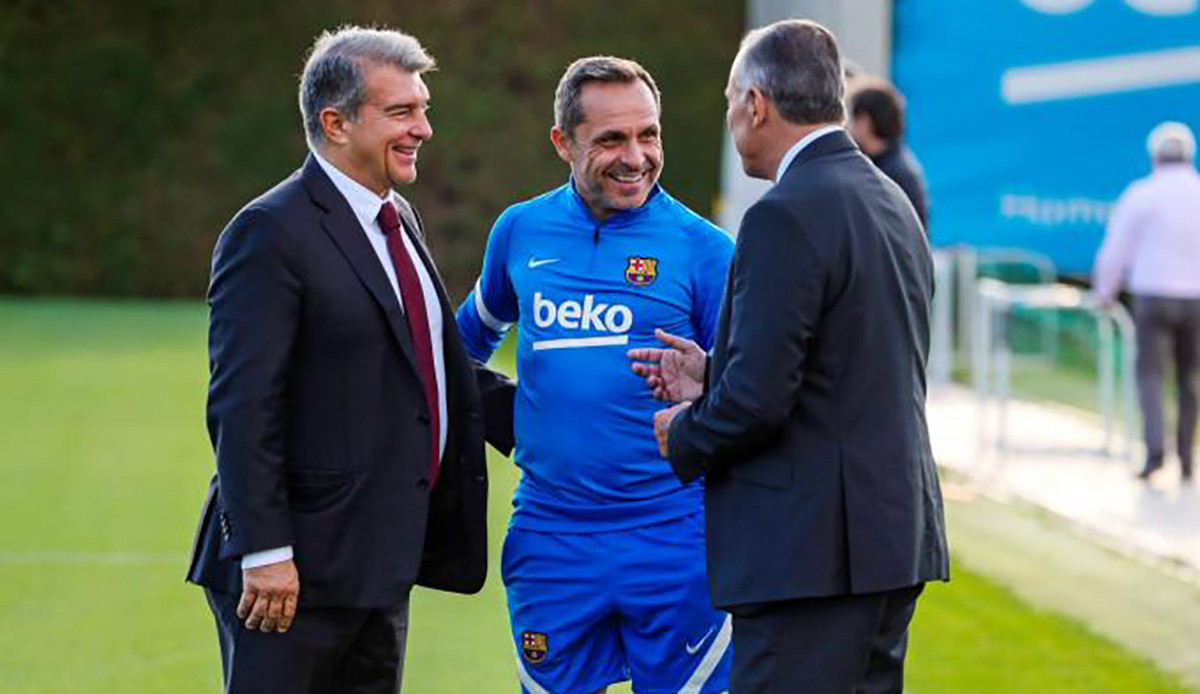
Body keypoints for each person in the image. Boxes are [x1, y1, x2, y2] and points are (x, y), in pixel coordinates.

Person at [185, 26, 515, 694]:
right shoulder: (270, 231)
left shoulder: (399, 218)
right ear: (335, 123)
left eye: (423, 109)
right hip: (292, 576)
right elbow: (244, 404)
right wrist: (266, 550)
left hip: (378, 567)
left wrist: (575, 417)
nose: (423, 128)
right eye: (402, 112)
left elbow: (436, 370)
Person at [630, 20, 949, 694]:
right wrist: (713, 371)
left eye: (728, 102)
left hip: (812, 557)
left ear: (755, 104)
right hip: (888, 541)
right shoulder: (890, 199)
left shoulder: (787, 213)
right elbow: (847, 362)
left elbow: (759, 401)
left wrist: (684, 431)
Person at [455, 56, 735, 694]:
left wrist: (709, 383)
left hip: (676, 540)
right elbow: (463, 344)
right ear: (563, 142)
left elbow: (753, 392)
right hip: (551, 542)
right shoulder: (520, 232)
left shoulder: (706, 250)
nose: (635, 156)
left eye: (648, 134)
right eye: (611, 139)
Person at [1094, 121, 1200, 483]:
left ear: (1155, 156)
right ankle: (1187, 455)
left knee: (1151, 375)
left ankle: (1156, 452)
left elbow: (1115, 251)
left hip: (1154, 293)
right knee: (1190, 378)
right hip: (1195, 297)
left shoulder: (1142, 193)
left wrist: (1104, 293)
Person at [846, 77, 930, 228]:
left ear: (865, 122)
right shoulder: (895, 163)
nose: (848, 128)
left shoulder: (891, 174)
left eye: (852, 119)